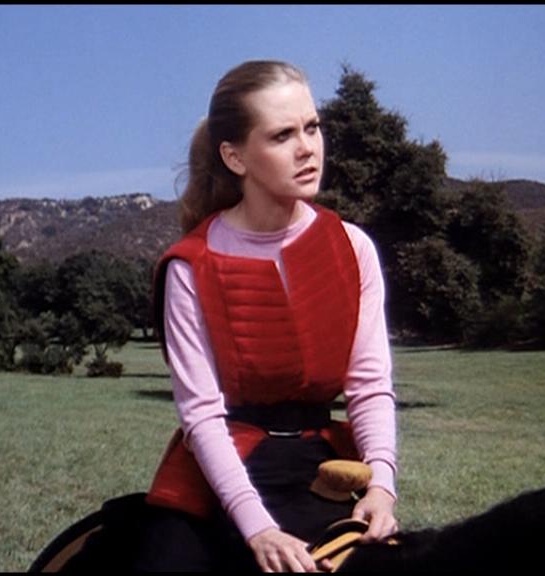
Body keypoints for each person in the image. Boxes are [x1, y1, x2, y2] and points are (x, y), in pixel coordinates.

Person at [142, 59, 398, 572]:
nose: (308, 148)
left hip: (320, 468)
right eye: (283, 135)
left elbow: (369, 385)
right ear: (234, 157)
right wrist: (258, 529)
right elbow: (201, 415)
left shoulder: (353, 249)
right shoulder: (190, 266)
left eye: (312, 127)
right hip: (221, 473)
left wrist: (382, 487)